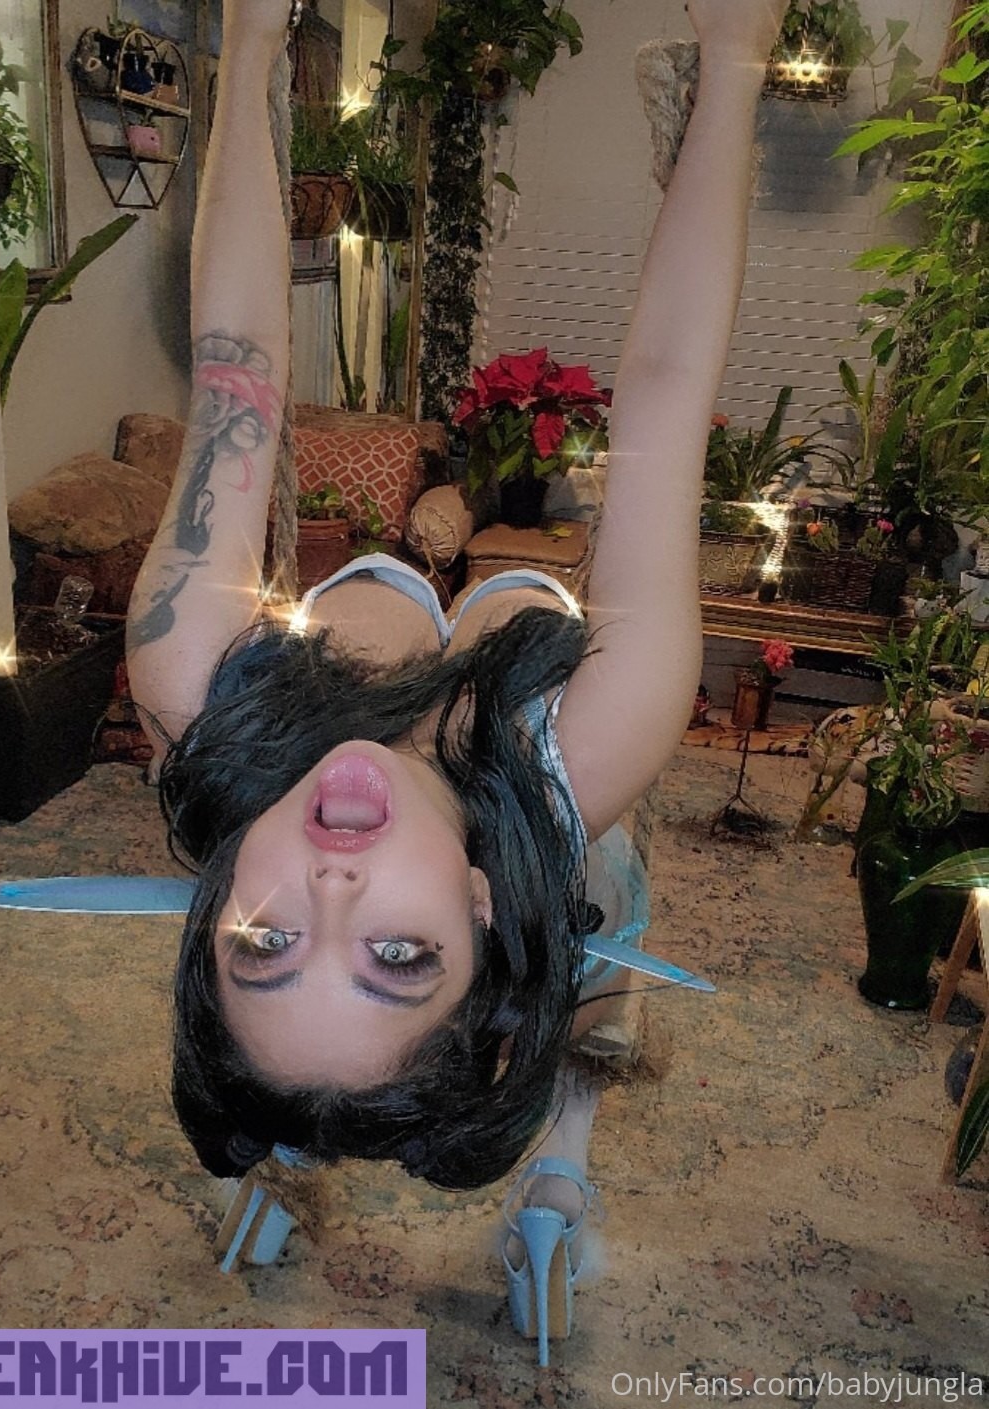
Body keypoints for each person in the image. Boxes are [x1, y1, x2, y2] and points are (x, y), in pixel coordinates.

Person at [128, 0, 786, 1251]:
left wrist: (253, 37)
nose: (329, 887)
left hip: (364, 635)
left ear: (217, 901)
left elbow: (234, 369)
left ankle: (304, 1111)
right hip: (530, 723)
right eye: (395, 952)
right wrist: (735, 62)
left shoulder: (187, 685)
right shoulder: (597, 733)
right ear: (477, 909)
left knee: (317, 1062)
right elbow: (664, 391)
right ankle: (559, 1167)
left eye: (266, 939)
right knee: (599, 928)